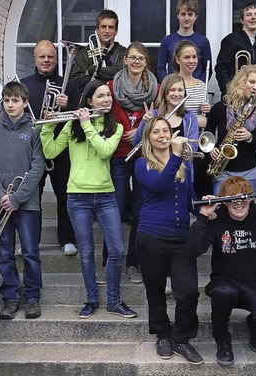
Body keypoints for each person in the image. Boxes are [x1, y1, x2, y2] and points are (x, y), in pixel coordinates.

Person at [40, 80, 138, 319]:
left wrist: (87, 125)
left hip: (105, 195)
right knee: (85, 252)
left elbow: (105, 151)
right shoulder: (73, 125)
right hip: (77, 197)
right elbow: (50, 151)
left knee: (116, 249)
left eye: (108, 96)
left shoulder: (114, 127)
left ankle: (114, 300)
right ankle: (92, 299)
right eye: (100, 96)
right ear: (89, 101)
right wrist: (47, 126)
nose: (106, 100)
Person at [187, 176, 256, 366]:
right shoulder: (216, 222)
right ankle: (222, 338)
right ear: (223, 202)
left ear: (251, 198)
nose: (238, 203)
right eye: (232, 199)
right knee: (223, 292)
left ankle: (255, 327)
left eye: (243, 197)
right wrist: (202, 217)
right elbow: (191, 251)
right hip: (225, 284)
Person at [135, 116, 202, 364]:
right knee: (155, 290)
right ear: (148, 138)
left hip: (180, 237)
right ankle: (162, 335)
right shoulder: (143, 164)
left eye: (166, 130)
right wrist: (176, 156)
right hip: (151, 235)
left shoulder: (183, 165)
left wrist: (207, 206)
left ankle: (181, 338)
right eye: (156, 132)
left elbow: (189, 199)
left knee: (188, 292)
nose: (162, 135)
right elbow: (159, 186)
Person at [0, 81, 45, 320]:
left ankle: (32, 298)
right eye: (7, 100)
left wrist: (17, 197)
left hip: (27, 203)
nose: (10, 105)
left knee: (30, 252)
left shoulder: (34, 128)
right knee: (4, 253)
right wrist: (0, 195)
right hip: (0, 202)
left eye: (15, 100)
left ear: (25, 103)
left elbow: (38, 166)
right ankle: (10, 298)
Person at [21, 39, 80, 256]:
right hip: (34, 150)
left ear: (57, 60)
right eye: (42, 56)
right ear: (34, 58)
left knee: (65, 196)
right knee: (31, 198)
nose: (46, 60)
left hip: (61, 150)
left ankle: (67, 239)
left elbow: (79, 116)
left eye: (51, 57)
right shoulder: (24, 86)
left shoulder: (69, 86)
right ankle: (31, 241)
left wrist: (69, 105)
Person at [106, 42, 159, 284]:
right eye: (132, 58)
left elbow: (161, 120)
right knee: (115, 209)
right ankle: (109, 260)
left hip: (142, 156)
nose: (137, 62)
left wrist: (142, 127)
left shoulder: (155, 89)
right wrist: (118, 131)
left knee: (139, 212)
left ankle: (132, 263)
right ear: (125, 60)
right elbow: (101, 112)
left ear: (146, 62)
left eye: (141, 59)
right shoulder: (111, 86)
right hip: (117, 155)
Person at [206, 64, 256, 194]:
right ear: (242, 82)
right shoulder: (220, 108)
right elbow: (208, 134)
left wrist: (249, 137)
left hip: (249, 172)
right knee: (221, 210)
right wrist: (211, 149)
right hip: (222, 171)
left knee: (245, 211)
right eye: (251, 82)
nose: (255, 87)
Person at [171, 40, 212, 201]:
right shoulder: (172, 84)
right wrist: (196, 120)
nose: (191, 61)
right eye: (186, 57)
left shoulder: (202, 85)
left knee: (200, 190)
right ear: (177, 59)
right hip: (178, 142)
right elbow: (168, 113)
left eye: (194, 57)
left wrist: (208, 110)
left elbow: (205, 118)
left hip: (197, 144)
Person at [156, 0, 212, 84]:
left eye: (190, 14)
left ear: (195, 16)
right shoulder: (167, 41)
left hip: (195, 89)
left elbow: (207, 69)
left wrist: (198, 85)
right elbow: (160, 68)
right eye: (183, 14)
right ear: (178, 15)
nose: (186, 18)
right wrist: (168, 85)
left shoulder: (203, 41)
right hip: (173, 90)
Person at [214, 1, 256, 95]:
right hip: (233, 95)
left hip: (252, 95)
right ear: (242, 20)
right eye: (248, 15)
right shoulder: (232, 39)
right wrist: (228, 91)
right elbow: (221, 68)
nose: (253, 17)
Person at [71, 9, 126, 92]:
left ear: (116, 31)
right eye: (103, 27)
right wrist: (103, 84)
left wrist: (92, 70)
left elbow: (121, 73)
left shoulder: (124, 53)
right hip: (92, 102)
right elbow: (77, 79)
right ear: (97, 30)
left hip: (117, 101)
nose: (107, 31)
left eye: (111, 27)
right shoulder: (84, 54)